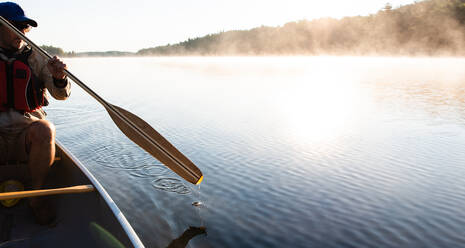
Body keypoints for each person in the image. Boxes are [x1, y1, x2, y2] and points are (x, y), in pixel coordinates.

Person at [0, 2, 70, 225]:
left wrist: (59, 77)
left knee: (45, 129)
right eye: (16, 26)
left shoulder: (38, 57)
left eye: (25, 28)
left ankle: (35, 198)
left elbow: (61, 95)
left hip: (26, 135)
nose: (22, 33)